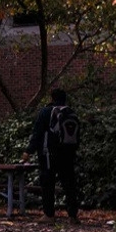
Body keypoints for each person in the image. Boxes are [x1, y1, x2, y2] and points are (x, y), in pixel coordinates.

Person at [29, 88, 82, 221]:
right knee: (69, 183)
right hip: (68, 153)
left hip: (49, 153)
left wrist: (29, 150)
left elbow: (38, 132)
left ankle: (49, 214)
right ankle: (73, 215)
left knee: (48, 183)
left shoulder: (46, 112)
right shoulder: (70, 112)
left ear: (51, 98)